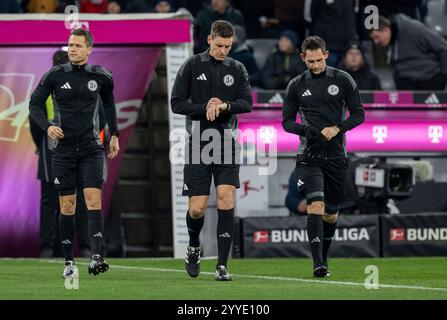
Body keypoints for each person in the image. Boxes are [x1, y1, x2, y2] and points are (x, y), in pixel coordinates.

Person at [29, 28, 120, 278]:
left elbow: (110, 105)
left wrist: (114, 135)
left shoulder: (101, 76)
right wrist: (48, 127)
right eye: (70, 45)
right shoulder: (55, 75)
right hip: (64, 151)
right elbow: (34, 104)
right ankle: (69, 262)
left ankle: (96, 256)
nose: (72, 49)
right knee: (67, 206)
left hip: (91, 148)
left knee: (93, 200)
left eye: (78, 45)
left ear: (90, 49)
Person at [171, 20, 252, 281]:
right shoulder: (192, 65)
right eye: (219, 45)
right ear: (209, 40)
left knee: (227, 200)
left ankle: (222, 265)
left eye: (228, 46)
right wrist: (205, 107)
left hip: (227, 143)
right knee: (197, 209)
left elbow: (247, 103)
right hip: (198, 143)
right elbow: (176, 103)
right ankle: (194, 245)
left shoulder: (237, 68)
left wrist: (225, 106)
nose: (223, 50)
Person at [282, 36, 365, 277]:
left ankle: (324, 256)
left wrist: (338, 127)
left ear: (326, 55)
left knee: (331, 213)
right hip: (309, 155)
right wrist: (305, 130)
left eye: (319, 60)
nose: (315, 65)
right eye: (311, 61)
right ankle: (318, 264)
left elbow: (359, 114)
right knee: (315, 205)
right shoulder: (296, 85)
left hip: (337, 155)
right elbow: (287, 122)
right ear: (302, 58)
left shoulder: (342, 79)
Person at [29, 49, 92, 259]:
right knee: (61, 200)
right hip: (59, 146)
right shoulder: (50, 83)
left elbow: (35, 120)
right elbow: (35, 115)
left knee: (61, 200)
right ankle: (66, 248)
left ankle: (61, 248)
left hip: (63, 146)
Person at [369, 15, 447, 90]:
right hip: (405, 82)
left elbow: (443, 48)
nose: (376, 42)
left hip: (430, 78)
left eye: (377, 37)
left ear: (386, 30)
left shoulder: (414, 28)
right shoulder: (386, 42)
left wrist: (444, 75)